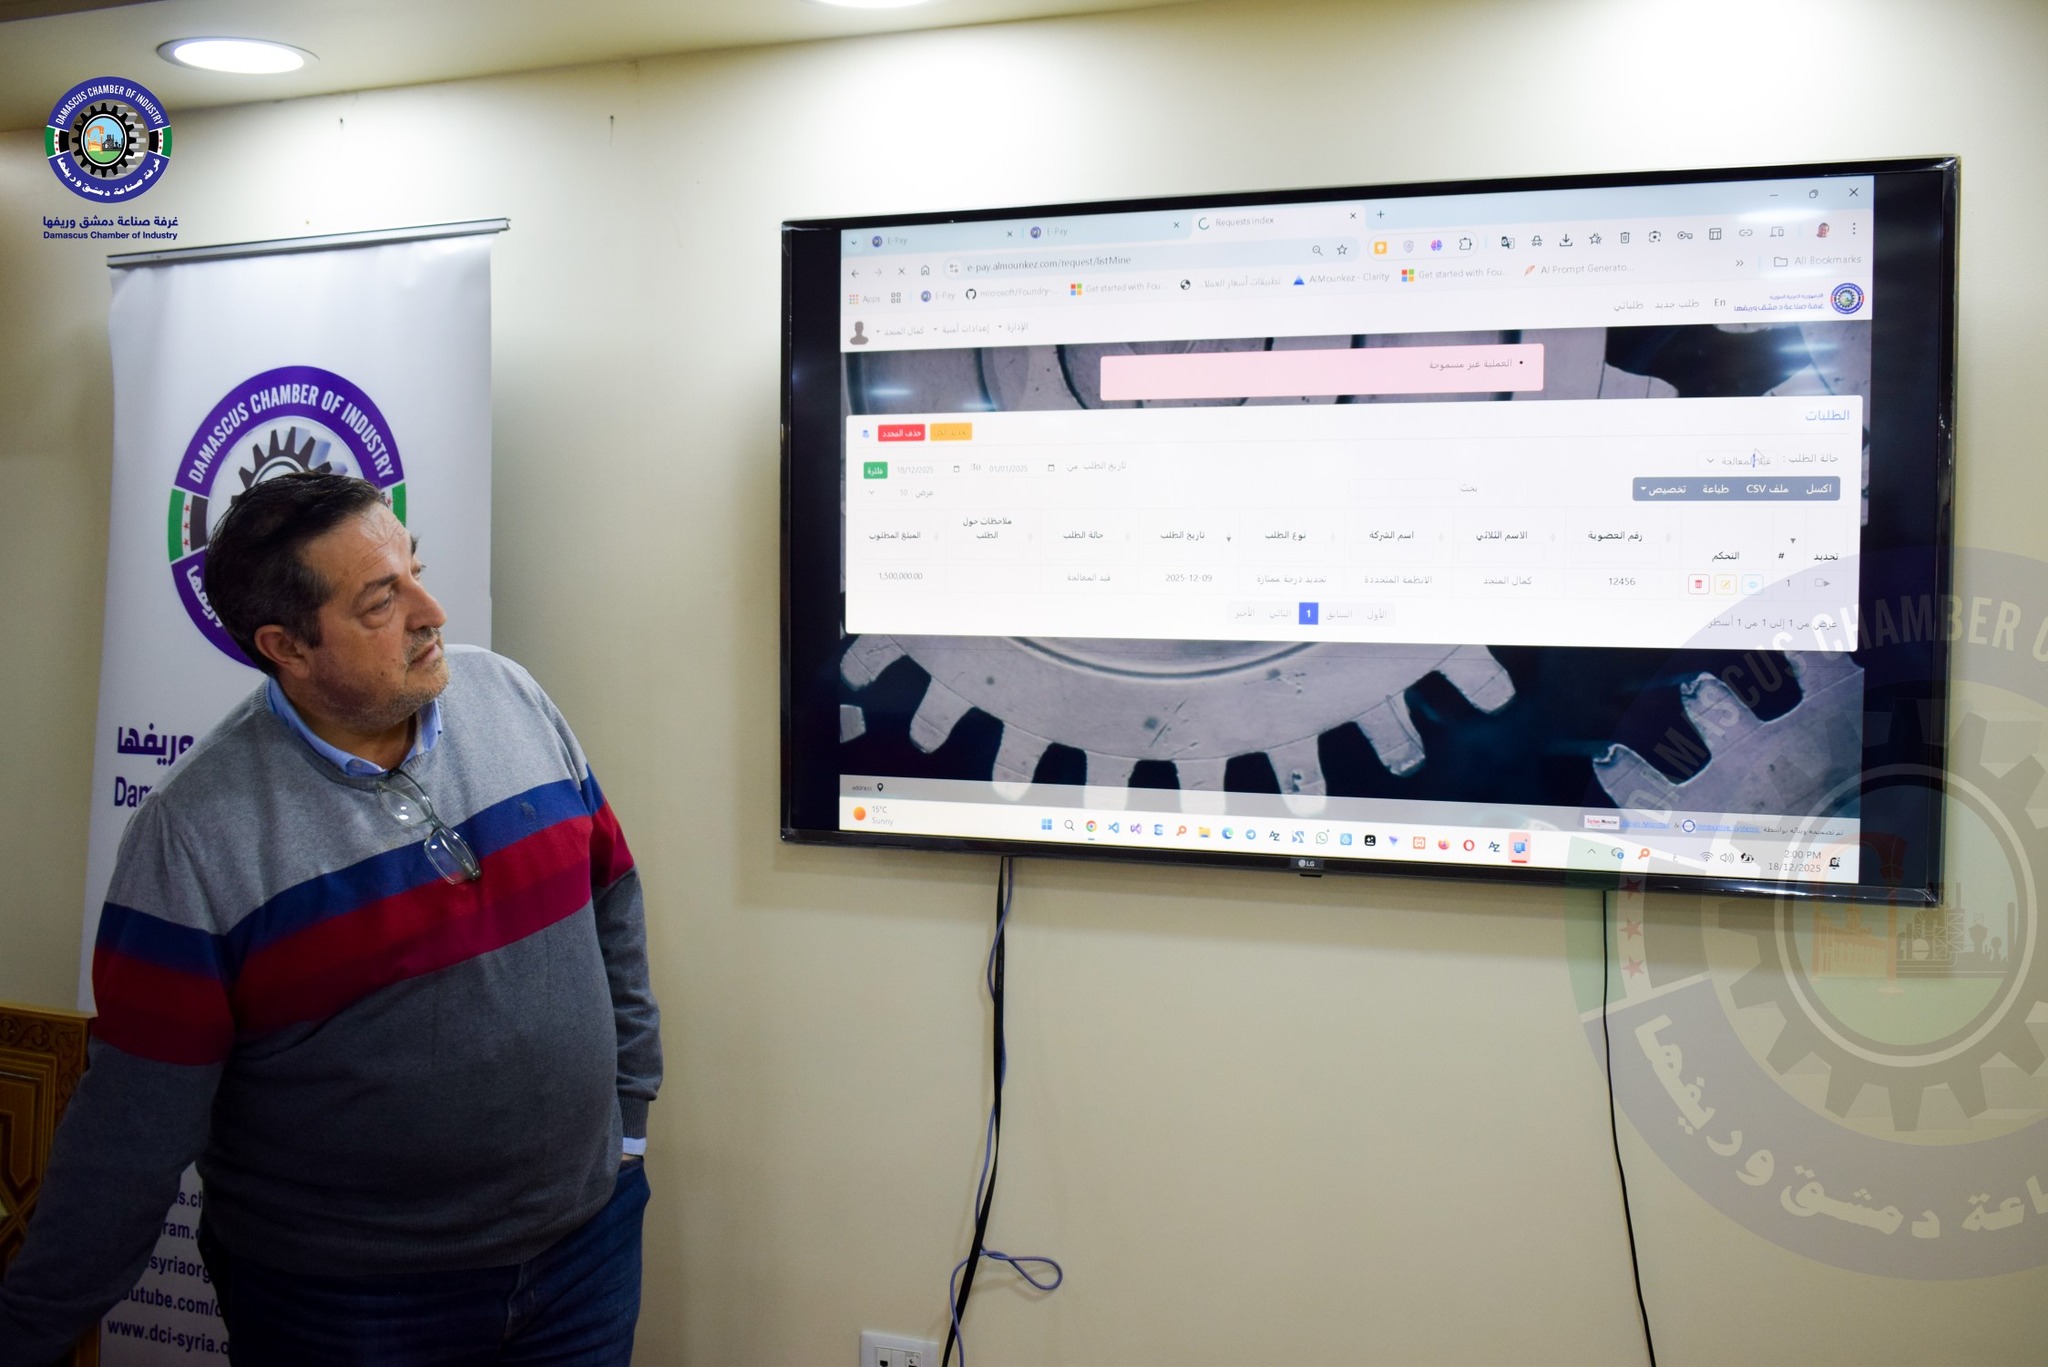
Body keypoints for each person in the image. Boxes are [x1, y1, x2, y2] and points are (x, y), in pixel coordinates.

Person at [0, 472, 661, 1365]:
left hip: (584, 1253)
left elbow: (612, 895)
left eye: (415, 569)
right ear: (288, 647)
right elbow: (134, 1128)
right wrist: (26, 1332)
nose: (432, 612)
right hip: (349, 1308)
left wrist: (629, 1117)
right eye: (382, 601)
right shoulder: (192, 838)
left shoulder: (510, 696)